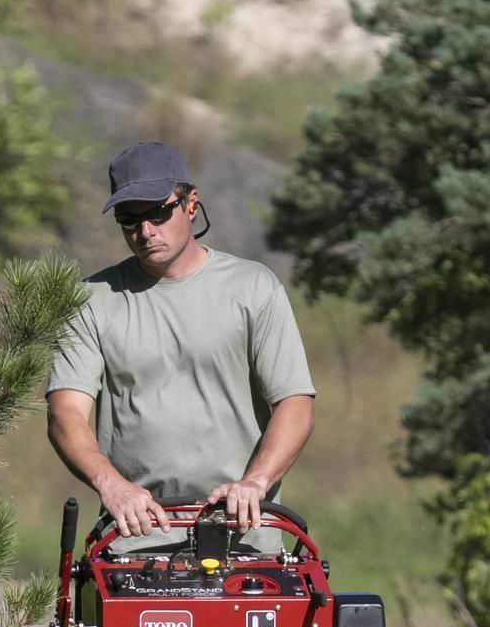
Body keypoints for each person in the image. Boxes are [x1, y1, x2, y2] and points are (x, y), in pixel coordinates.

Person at [45, 140, 315, 540]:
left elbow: (295, 403)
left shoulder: (254, 288)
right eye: (128, 219)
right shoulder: (92, 300)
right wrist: (112, 486)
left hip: (243, 537)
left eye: (158, 212)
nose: (145, 231)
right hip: (134, 539)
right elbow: (65, 410)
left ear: (190, 203)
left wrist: (255, 483)